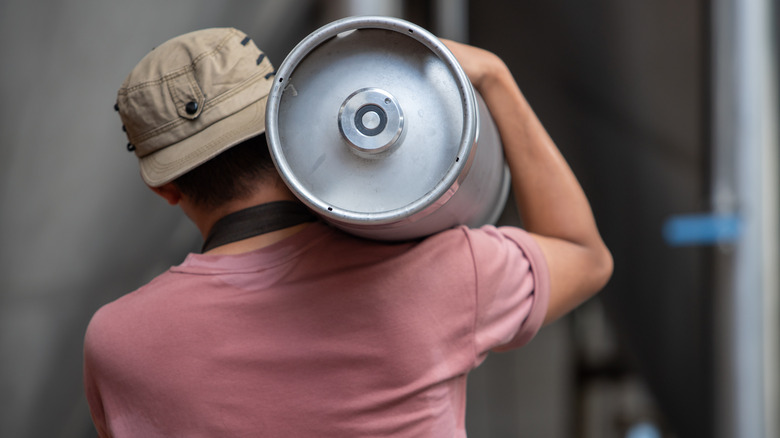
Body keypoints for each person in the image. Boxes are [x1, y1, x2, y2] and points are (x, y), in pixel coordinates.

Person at [84, 27, 612, 437]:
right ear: (290, 118)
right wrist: (495, 77)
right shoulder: (444, 274)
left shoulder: (117, 344)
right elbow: (585, 256)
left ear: (166, 190)